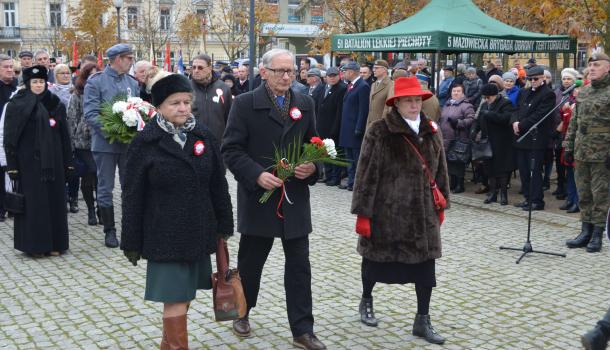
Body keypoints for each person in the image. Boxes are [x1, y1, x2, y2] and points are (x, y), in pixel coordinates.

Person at [221, 48, 326, 350]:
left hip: (294, 198)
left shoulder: (305, 103)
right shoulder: (243, 104)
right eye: (279, 71)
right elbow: (230, 149)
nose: (286, 76)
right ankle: (241, 312)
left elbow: (315, 144)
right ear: (263, 72)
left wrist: (313, 166)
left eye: (290, 71)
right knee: (251, 264)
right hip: (260, 198)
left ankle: (302, 330)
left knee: (299, 267)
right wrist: (255, 174)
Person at [121, 72, 234, 349]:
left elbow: (218, 184)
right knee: (174, 300)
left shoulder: (203, 136)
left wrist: (224, 224)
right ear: (158, 106)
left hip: (197, 232)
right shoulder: (145, 143)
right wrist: (131, 241)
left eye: (186, 101)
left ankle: (167, 345)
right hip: (164, 237)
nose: (183, 108)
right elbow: (132, 195)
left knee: (184, 298)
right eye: (175, 103)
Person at [351, 76, 449, 345]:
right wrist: (363, 212)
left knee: (426, 268)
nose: (415, 105)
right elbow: (365, 174)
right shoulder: (379, 130)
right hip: (387, 211)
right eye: (409, 100)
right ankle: (366, 300)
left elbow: (441, 171)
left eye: (418, 100)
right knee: (373, 261)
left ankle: (422, 319)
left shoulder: (431, 129)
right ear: (396, 103)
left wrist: (442, 204)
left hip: (423, 213)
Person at [3, 66, 73, 257]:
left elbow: (64, 135)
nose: (38, 85)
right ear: (27, 83)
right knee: (35, 206)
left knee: (55, 203)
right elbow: (10, 138)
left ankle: (55, 244)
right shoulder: (16, 104)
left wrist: (68, 162)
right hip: (29, 164)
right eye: (34, 82)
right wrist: (12, 167)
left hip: (54, 162)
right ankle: (35, 246)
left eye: (41, 81)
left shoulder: (55, 103)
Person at [84, 43, 139, 248]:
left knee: (130, 187)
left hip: (128, 145)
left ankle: (130, 230)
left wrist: (132, 130)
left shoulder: (131, 82)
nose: (131, 62)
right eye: (129, 58)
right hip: (105, 144)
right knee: (105, 187)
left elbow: (136, 108)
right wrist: (114, 131)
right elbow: (90, 113)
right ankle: (110, 231)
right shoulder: (96, 82)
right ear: (117, 59)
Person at [564, 52, 610, 253]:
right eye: (590, 66)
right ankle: (585, 230)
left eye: (597, 65)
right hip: (582, 150)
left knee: (600, 194)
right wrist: (569, 145)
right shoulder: (583, 91)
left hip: (603, 152)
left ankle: (597, 234)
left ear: (607, 68)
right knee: (583, 192)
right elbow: (574, 122)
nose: (592, 69)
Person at [511, 65, 556, 211]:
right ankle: (527, 197)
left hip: (536, 139)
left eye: (536, 79)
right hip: (521, 137)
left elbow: (540, 115)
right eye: (530, 79)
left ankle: (537, 200)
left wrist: (521, 125)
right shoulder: (524, 92)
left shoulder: (548, 94)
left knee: (534, 171)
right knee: (523, 170)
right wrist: (514, 122)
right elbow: (516, 109)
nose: (533, 81)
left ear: (543, 78)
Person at [67, 63, 101, 226]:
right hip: (83, 141)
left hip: (102, 139)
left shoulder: (103, 92)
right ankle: (91, 210)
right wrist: (71, 143)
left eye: (96, 75)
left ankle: (102, 207)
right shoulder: (78, 94)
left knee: (101, 177)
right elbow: (72, 118)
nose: (93, 79)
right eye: (90, 75)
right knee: (88, 176)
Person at [471, 83, 517, 205]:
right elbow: (479, 120)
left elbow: (505, 119)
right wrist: (474, 130)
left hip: (502, 142)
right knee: (489, 169)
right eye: (485, 97)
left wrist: (490, 114)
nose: (486, 100)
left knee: (501, 170)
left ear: (495, 95)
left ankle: (503, 194)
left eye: (488, 97)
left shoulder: (505, 103)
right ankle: (492, 194)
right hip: (488, 142)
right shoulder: (485, 104)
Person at [339, 61, 370, 191]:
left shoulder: (363, 86)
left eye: (345, 71)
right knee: (349, 159)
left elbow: (363, 110)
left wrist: (359, 127)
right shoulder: (351, 85)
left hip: (354, 129)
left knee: (356, 159)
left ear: (351, 72)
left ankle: (357, 183)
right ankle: (351, 182)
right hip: (347, 128)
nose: (343, 74)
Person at [440, 84, 475, 193]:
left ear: (462, 93)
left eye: (458, 91)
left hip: (459, 138)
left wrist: (458, 123)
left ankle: (460, 185)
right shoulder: (447, 104)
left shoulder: (466, 105)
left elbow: (471, 119)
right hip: (445, 138)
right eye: (454, 91)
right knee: (450, 162)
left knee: (458, 162)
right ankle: (452, 184)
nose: (455, 93)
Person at [190, 54, 232, 142]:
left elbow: (229, 118)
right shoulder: (186, 88)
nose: (196, 71)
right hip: (193, 143)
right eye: (194, 67)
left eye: (200, 68)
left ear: (209, 68)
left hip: (218, 142)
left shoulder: (224, 88)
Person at [317, 66, 346, 187]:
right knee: (325, 152)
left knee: (335, 154)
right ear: (326, 78)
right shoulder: (324, 88)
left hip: (334, 126)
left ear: (339, 76)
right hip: (323, 125)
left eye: (335, 76)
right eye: (330, 76)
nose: (332, 78)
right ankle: (328, 175)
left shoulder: (341, 88)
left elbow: (340, 111)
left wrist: (335, 127)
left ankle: (335, 177)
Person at [556, 68, 579, 213]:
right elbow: (564, 119)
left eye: (569, 79)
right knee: (568, 171)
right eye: (564, 79)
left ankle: (576, 201)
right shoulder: (567, 98)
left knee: (576, 173)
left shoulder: (578, 101)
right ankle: (570, 198)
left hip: (577, 140)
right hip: (567, 139)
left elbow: (572, 120)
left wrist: (568, 111)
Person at [0, 54, 17, 222]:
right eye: (6, 67)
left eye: (11, 66)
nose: (10, 69)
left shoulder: (17, 87)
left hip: (14, 136)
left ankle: (12, 205)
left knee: (12, 171)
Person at [366, 59, 393, 130]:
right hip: (370, 125)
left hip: (381, 126)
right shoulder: (373, 84)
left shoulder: (391, 85)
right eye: (373, 68)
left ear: (384, 70)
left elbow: (388, 108)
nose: (373, 70)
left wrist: (383, 126)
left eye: (376, 68)